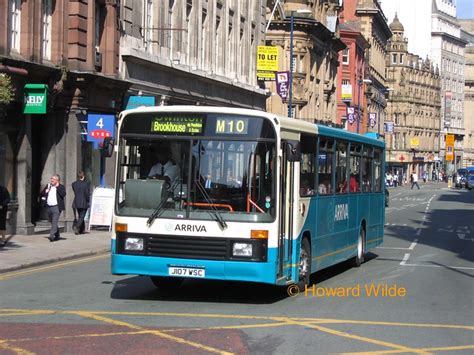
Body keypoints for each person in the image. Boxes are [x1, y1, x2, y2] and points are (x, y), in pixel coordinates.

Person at [40, 174, 66, 242]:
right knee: (52, 221)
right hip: (49, 206)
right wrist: (45, 192)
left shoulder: (61, 187)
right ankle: (57, 235)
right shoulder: (48, 186)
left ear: (57, 180)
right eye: (51, 178)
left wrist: (57, 187)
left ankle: (51, 235)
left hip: (56, 207)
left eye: (53, 179)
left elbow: (63, 194)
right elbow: (41, 194)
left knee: (54, 221)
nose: (52, 180)